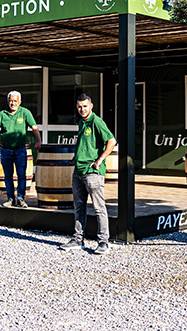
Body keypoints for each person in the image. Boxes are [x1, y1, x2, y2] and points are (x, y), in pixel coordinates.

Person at [59, 93, 116, 254]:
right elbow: (85, 144)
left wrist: (99, 161)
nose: (82, 109)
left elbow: (112, 141)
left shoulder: (96, 122)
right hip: (78, 171)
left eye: (85, 106)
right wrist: (75, 157)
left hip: (92, 173)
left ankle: (103, 242)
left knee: (99, 208)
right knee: (79, 207)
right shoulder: (82, 123)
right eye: (79, 106)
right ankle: (78, 239)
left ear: (91, 106)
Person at [0, 90, 41, 208]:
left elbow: (34, 127)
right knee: (8, 176)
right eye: (11, 101)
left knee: (21, 175)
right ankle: (10, 199)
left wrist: (38, 141)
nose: (13, 103)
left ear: (20, 102)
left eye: (15, 101)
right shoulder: (1, 115)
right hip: (6, 150)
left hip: (20, 150)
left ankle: (21, 199)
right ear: (8, 101)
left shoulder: (25, 113)